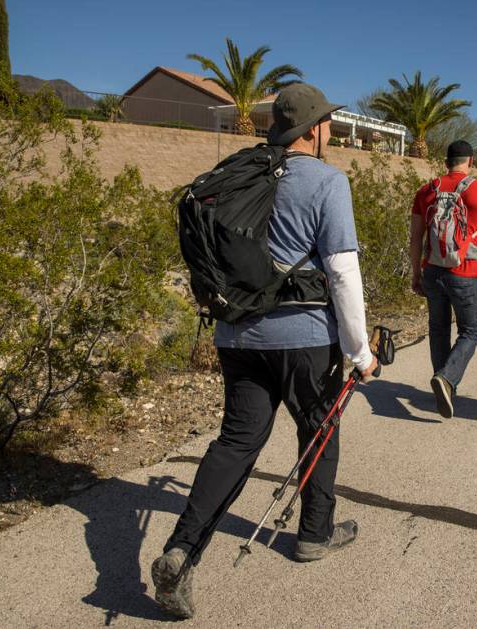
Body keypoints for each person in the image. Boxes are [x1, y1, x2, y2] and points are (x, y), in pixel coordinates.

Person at [151, 84, 379, 619]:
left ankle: (181, 553)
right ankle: (313, 535)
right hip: (303, 338)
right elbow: (343, 272)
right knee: (318, 428)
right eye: (326, 124)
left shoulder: (239, 171)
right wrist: (361, 351)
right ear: (316, 130)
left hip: (236, 335)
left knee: (237, 441)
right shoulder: (327, 181)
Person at [409, 140, 477, 418]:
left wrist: (417, 273)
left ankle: (444, 385)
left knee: (438, 329)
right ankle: (447, 379)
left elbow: (416, 237)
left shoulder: (427, 190)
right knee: (471, 331)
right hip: (466, 272)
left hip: (432, 270)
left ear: (446, 161)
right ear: (471, 162)